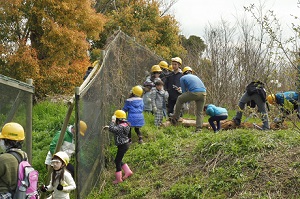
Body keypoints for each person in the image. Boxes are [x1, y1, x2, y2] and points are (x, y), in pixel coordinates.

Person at [170, 66, 207, 133]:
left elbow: (184, 92)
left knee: (179, 98)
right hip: (203, 93)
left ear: (183, 73)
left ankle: (175, 117)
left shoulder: (182, 78)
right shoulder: (196, 77)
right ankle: (199, 129)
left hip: (195, 92)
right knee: (199, 112)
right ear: (191, 72)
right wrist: (188, 100)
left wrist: (186, 101)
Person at [0, 122, 27, 198]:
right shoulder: (23, 155)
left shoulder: (3, 159)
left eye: (1, 139)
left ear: (6, 141)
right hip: (17, 194)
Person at [108, 110, 133, 184]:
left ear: (118, 119)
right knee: (119, 159)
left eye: (116, 119)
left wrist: (112, 121)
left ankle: (118, 179)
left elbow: (112, 129)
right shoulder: (126, 124)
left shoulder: (120, 126)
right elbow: (117, 130)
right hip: (125, 144)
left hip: (122, 146)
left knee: (117, 161)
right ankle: (128, 171)